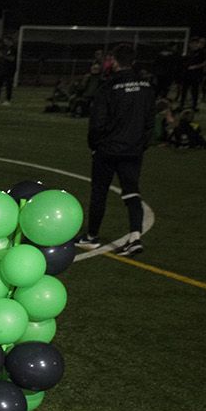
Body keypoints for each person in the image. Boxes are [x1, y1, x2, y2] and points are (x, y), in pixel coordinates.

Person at [77, 44, 154, 257]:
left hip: (108, 149)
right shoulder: (146, 87)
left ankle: (92, 236)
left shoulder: (108, 87)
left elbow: (97, 123)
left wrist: (94, 146)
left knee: (99, 192)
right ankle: (135, 237)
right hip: (133, 150)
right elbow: (150, 121)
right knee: (132, 193)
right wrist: (141, 145)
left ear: (115, 61)